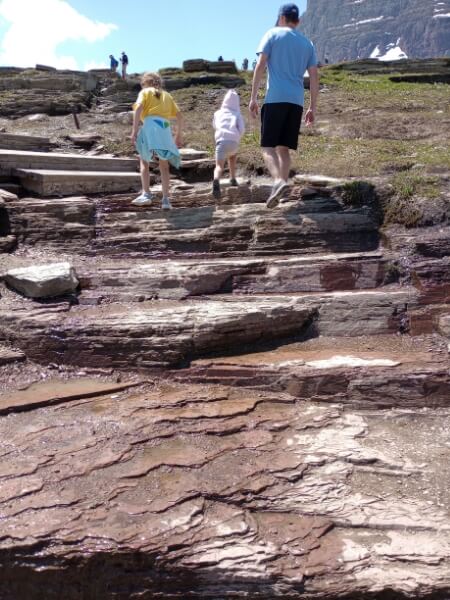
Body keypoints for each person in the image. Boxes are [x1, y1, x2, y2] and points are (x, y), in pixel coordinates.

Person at [249, 3, 319, 208]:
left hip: (275, 98)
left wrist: (253, 97)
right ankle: (282, 190)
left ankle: (279, 181)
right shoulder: (308, 44)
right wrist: (312, 107)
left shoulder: (272, 34)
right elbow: (314, 76)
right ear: (297, 21)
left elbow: (261, 65)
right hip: (296, 101)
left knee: (267, 147)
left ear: (281, 18)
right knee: (284, 148)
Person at [130, 72, 183, 209]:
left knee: (144, 160)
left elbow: (138, 109)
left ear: (145, 82)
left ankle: (146, 194)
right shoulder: (167, 95)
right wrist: (178, 135)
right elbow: (179, 115)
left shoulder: (145, 92)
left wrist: (134, 130)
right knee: (164, 165)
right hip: (165, 127)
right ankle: (166, 201)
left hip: (150, 124)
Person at [212, 89, 245, 199]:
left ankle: (216, 179)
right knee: (232, 156)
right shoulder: (237, 114)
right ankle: (233, 178)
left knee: (218, 166)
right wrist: (237, 137)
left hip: (220, 141)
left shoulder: (217, 113)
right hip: (233, 142)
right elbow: (242, 129)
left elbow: (215, 125)